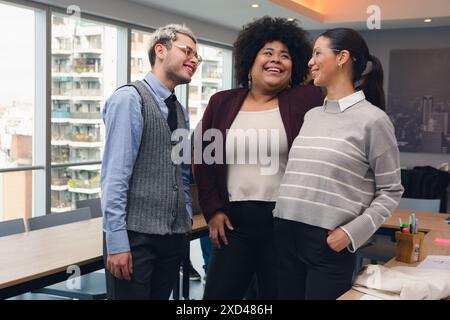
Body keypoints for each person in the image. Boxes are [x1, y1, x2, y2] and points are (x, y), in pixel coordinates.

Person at [194, 16, 323, 300]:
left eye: (285, 55)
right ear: (250, 60)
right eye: (268, 52)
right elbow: (202, 160)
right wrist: (212, 210)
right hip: (232, 225)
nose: (276, 60)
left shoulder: (306, 100)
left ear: (294, 66)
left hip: (283, 228)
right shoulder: (222, 102)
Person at [273, 28, 404, 300]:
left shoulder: (374, 121)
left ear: (342, 58)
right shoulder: (312, 115)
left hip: (328, 243)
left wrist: (350, 233)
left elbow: (391, 190)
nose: (310, 62)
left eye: (317, 53)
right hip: (285, 234)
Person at [101, 24, 201, 299]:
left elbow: (181, 174)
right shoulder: (129, 99)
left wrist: (186, 219)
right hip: (135, 240)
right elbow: (115, 177)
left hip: (171, 239)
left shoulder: (179, 110)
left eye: (197, 57)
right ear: (160, 50)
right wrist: (117, 242)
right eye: (187, 51)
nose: (193, 60)